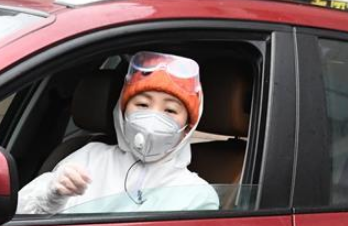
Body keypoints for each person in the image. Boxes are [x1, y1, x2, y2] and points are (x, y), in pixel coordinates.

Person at [17, 51, 220, 214]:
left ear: (187, 127)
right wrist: (52, 196)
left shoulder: (197, 194)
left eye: (170, 110)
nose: (153, 118)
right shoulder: (89, 157)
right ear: (122, 113)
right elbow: (17, 218)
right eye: (142, 104)